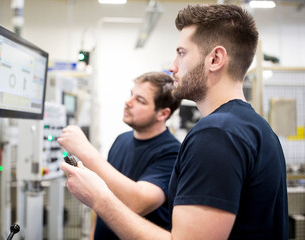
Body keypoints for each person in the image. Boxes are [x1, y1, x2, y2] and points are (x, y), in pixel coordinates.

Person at [61, 4, 289, 240]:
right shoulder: (257, 128)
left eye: (181, 53)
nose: (172, 66)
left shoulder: (215, 134)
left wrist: (100, 198)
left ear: (215, 59)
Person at [57, 72, 181, 239]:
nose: (128, 102)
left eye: (140, 100)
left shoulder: (172, 152)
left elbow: (138, 203)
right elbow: (102, 191)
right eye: (131, 95)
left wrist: (85, 150)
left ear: (163, 114)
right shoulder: (122, 140)